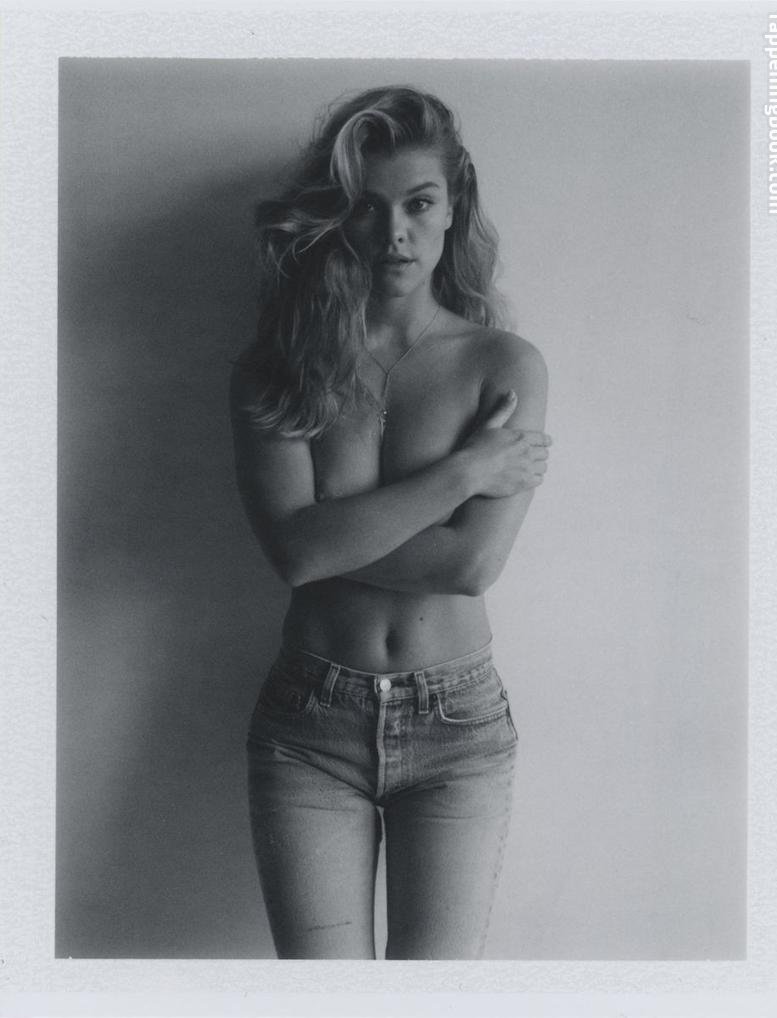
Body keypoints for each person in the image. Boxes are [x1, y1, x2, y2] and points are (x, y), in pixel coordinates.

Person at [229, 84, 551, 960]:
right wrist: (463, 472)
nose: (394, 233)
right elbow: (292, 556)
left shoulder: (503, 364)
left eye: (418, 203)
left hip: (457, 726)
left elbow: (471, 566)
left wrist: (329, 531)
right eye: (367, 208)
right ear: (338, 216)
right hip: (310, 724)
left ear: (454, 205)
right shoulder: (281, 367)